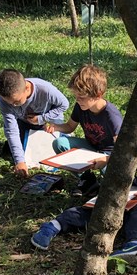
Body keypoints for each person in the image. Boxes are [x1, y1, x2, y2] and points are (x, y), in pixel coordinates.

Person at [31, 131, 137, 258]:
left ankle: (136, 244)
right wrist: (107, 160)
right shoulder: (132, 143)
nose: (134, 159)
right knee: (100, 206)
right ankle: (54, 225)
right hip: (129, 191)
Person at [44, 64, 123, 197]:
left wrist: (106, 159)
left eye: (81, 97)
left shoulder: (111, 115)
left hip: (109, 154)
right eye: (76, 96)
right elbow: (70, 127)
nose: (77, 100)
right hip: (91, 147)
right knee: (60, 143)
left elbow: (122, 148)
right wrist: (56, 127)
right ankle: (87, 179)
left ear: (98, 95)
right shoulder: (81, 106)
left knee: (111, 182)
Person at [0, 68, 69, 177]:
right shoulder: (4, 100)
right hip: (25, 123)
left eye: (16, 102)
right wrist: (20, 161)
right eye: (9, 103)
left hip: (49, 123)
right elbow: (11, 130)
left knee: (56, 152)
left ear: (27, 88)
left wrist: (41, 119)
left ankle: (66, 136)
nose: (13, 105)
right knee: (23, 153)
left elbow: (64, 104)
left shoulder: (45, 89)